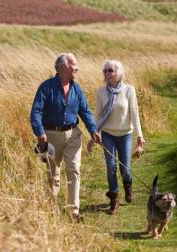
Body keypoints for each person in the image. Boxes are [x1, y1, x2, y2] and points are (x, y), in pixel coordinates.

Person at [30, 53, 101, 218]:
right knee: (53, 174)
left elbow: (85, 111)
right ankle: (51, 208)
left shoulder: (77, 89)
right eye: (73, 65)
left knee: (74, 169)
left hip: (73, 134)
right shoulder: (46, 87)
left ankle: (73, 211)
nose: (77, 68)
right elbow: (36, 112)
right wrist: (40, 133)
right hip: (50, 136)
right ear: (63, 67)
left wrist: (93, 130)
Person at [88, 60, 145, 214]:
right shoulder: (101, 92)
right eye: (105, 71)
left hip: (125, 134)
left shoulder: (129, 90)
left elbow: (134, 114)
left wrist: (139, 135)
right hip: (108, 135)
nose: (107, 74)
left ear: (118, 73)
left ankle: (128, 186)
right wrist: (93, 134)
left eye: (110, 70)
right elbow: (97, 115)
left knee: (125, 168)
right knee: (111, 167)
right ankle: (114, 199)